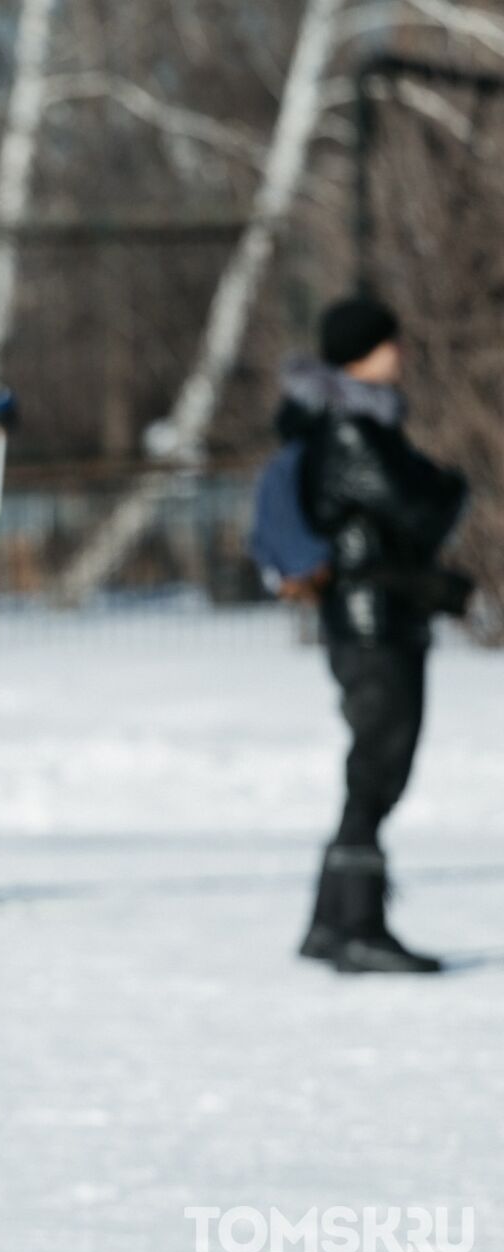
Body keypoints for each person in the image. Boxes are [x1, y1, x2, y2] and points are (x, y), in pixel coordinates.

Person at [279, 297, 471, 974]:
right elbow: (419, 508)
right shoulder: (352, 429)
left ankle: (332, 921)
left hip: (382, 619)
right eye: (391, 343)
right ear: (362, 351)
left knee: (376, 767)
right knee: (377, 769)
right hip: (371, 626)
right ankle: (356, 923)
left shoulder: (361, 423)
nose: (402, 354)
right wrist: (448, 490)